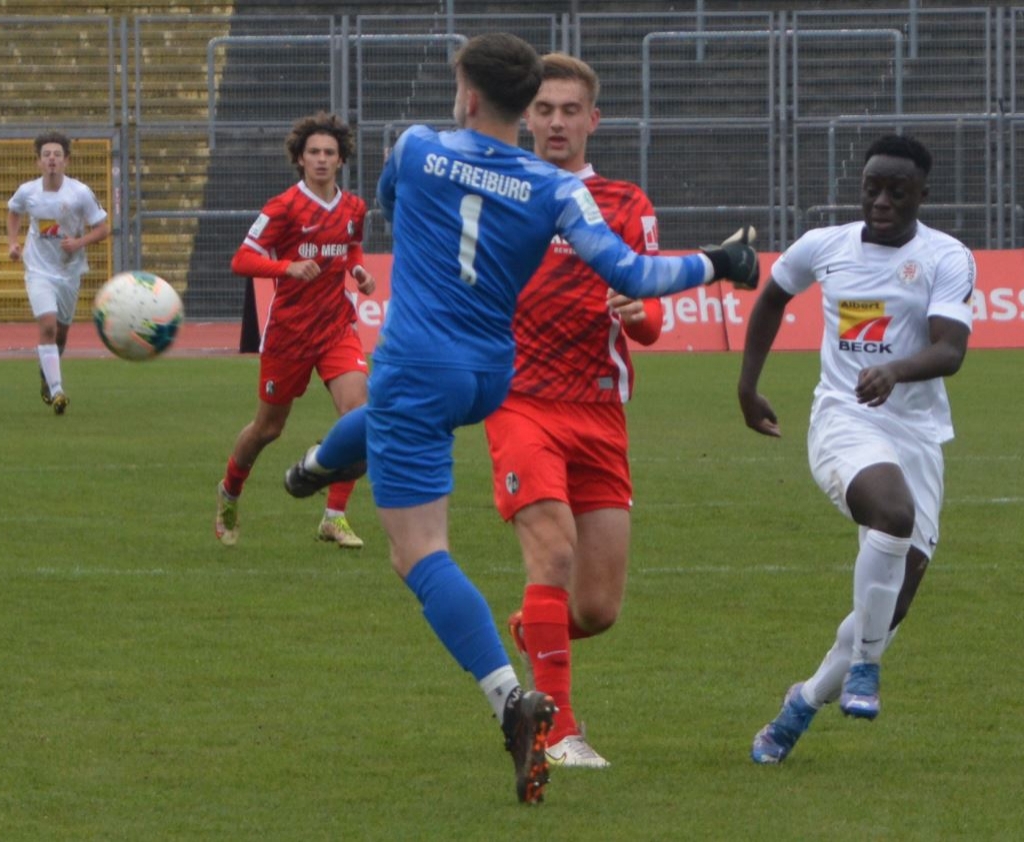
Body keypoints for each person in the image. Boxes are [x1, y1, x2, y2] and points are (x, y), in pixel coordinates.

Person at [280, 33, 760, 803]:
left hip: (420, 364)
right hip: (494, 376)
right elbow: (633, 274)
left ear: (467, 95)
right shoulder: (554, 189)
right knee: (409, 425)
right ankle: (316, 466)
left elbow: (397, 210)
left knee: (418, 552)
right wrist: (720, 262)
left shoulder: (415, 144)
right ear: (524, 108)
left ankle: (511, 698)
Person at [743, 135, 974, 764]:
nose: (880, 200)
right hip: (844, 419)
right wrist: (747, 385)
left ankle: (802, 703)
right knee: (892, 516)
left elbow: (950, 350)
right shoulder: (825, 246)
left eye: (896, 191)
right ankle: (867, 669)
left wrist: (897, 371)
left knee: (890, 604)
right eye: (871, 187)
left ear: (921, 195)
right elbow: (771, 296)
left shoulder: (946, 257)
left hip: (917, 435)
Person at [494, 53, 666, 771]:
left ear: (592, 120)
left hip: (599, 412)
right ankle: (556, 730)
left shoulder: (626, 205)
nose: (556, 122)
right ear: (525, 118)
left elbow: (651, 324)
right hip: (519, 401)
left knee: (595, 608)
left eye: (570, 110)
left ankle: (533, 628)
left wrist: (636, 307)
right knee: (554, 552)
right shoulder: (500, 194)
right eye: (544, 109)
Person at [216, 112, 376, 549]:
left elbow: (352, 244)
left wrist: (359, 270)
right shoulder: (283, 207)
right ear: (301, 159)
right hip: (289, 334)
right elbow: (242, 259)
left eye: (330, 152)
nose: (322, 160)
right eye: (314, 153)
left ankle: (334, 516)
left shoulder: (353, 208)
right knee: (268, 429)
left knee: (359, 416)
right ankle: (230, 490)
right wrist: (286, 266)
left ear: (341, 159)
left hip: (336, 329)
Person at [6, 131, 112, 415]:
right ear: (38, 162)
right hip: (38, 270)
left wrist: (78, 243)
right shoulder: (28, 191)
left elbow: (103, 228)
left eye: (56, 155)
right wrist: (14, 243)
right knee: (48, 327)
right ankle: (57, 391)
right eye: (46, 155)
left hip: (69, 272)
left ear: (66, 160)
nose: (51, 159)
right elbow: (13, 211)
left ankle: (46, 374)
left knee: (61, 335)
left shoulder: (79, 193)